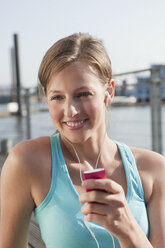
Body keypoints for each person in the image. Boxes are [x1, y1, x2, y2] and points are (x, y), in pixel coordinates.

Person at [0, 33, 165, 248]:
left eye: (83, 94)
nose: (71, 110)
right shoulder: (27, 162)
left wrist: (128, 229)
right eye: (57, 97)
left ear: (109, 92)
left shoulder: (154, 169)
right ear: (45, 97)